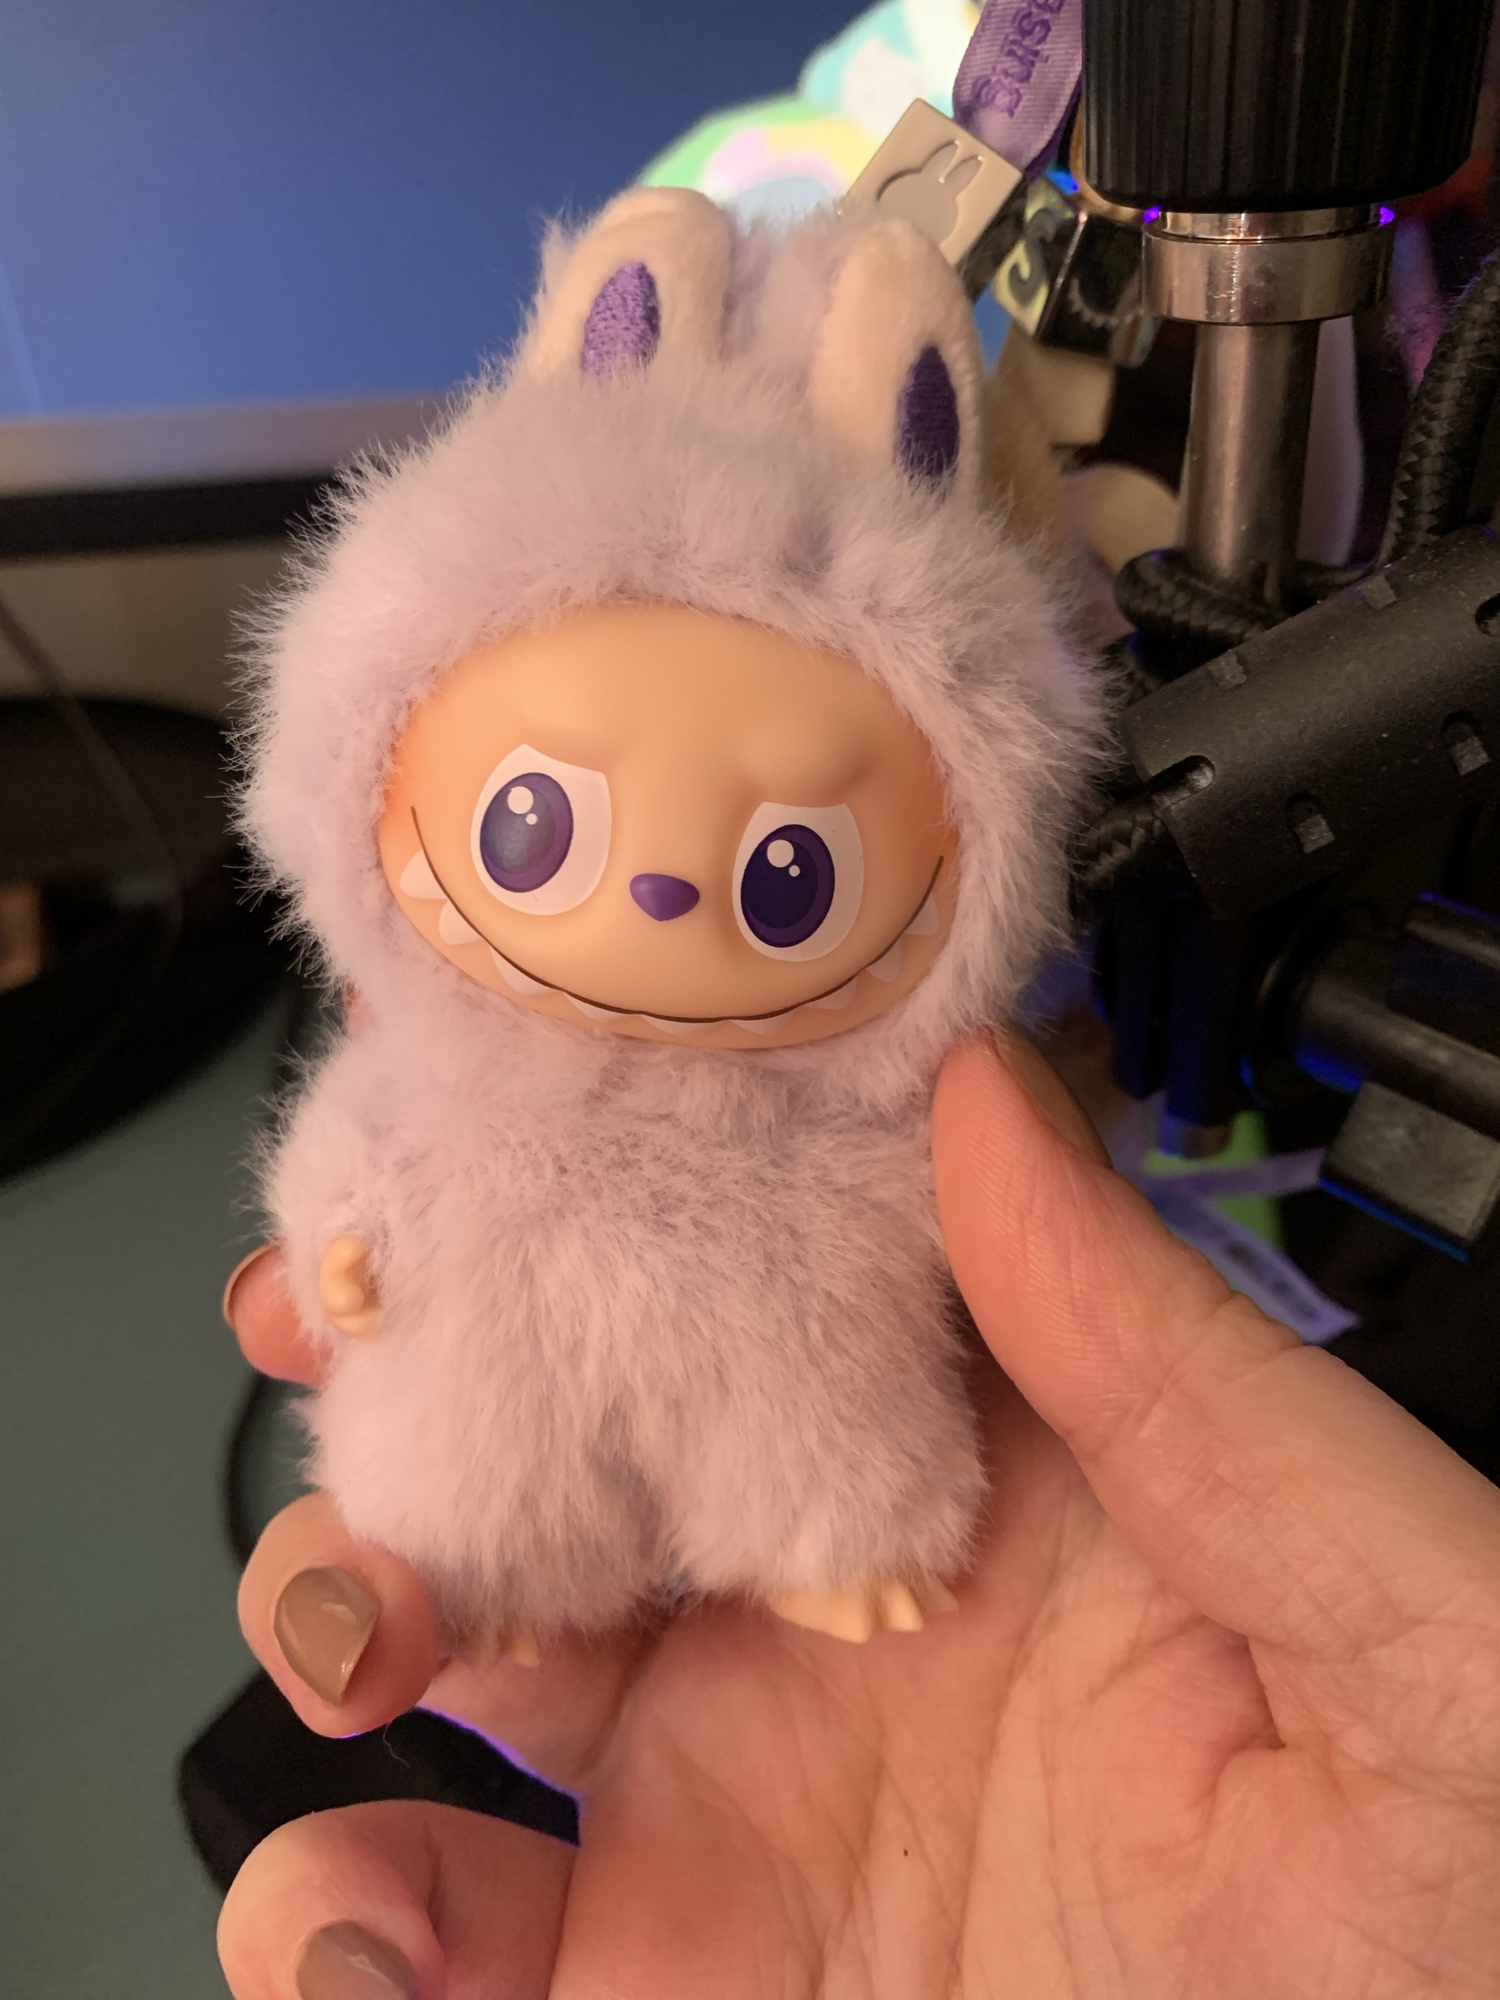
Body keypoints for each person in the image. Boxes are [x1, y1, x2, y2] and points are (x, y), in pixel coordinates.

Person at [218, 1031, 1500, 1999]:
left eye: (787, 874)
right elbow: (346, 1164)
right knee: (453, 1463)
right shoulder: (430, 1062)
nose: (660, 889)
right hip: (518, 1367)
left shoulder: (885, 1078)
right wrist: (351, 1238)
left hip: (802, 1325)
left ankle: (825, 1543)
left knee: (829, 1416)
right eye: (534, 834)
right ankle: (489, 1575)